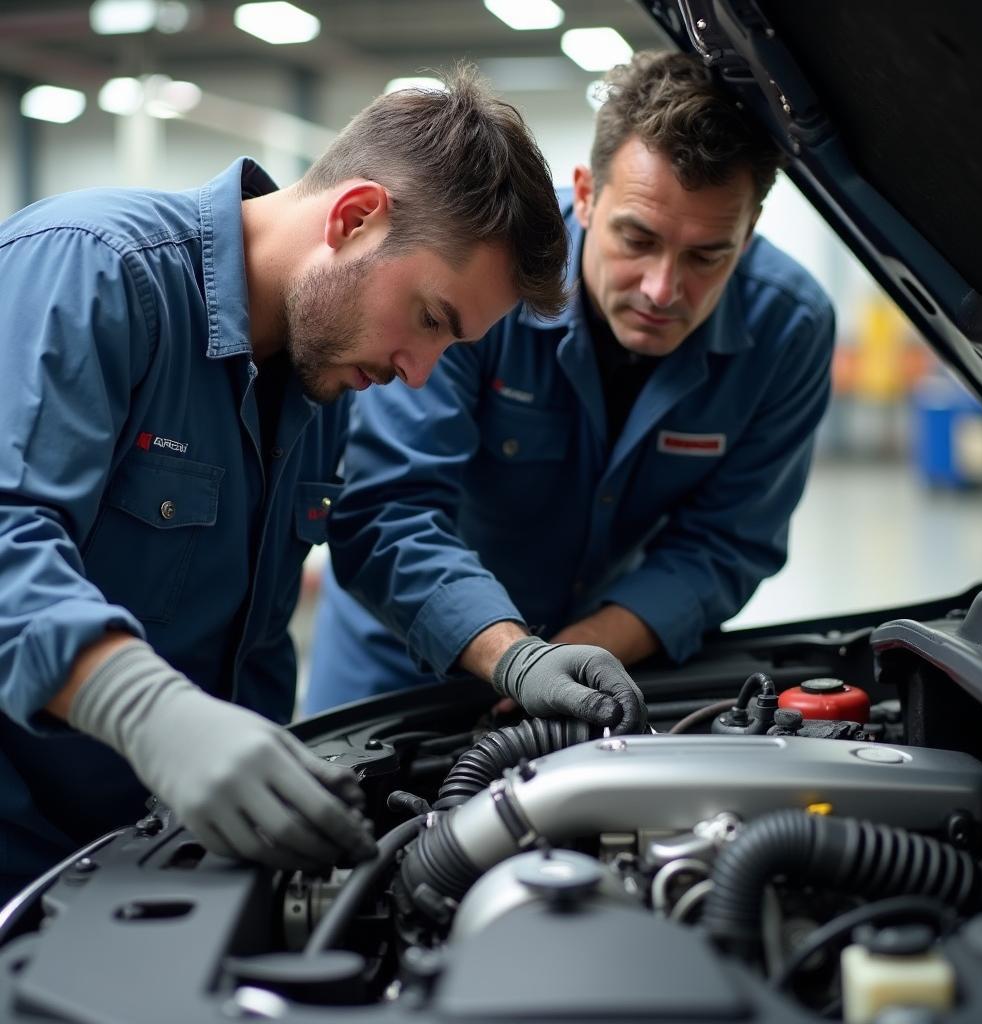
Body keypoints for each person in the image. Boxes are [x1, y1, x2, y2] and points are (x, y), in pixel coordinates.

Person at [0, 66, 641, 905]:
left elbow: (377, 528)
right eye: (430, 320)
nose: (418, 374)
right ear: (354, 217)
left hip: (155, 854)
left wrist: (514, 656)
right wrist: (149, 711)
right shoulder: (94, 272)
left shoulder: (317, 373)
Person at [304, 50, 836, 715]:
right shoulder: (483, 282)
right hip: (398, 664)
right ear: (585, 195)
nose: (662, 288)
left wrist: (579, 651)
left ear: (749, 233)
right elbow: (391, 508)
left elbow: (726, 544)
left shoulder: (788, 329)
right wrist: (516, 658)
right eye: (637, 239)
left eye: (707, 255)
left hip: (597, 660)